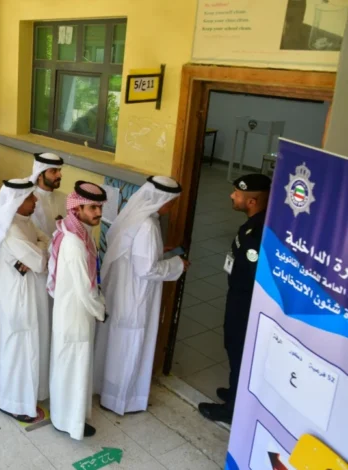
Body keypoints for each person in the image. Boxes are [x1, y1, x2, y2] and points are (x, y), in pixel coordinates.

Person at [93, 176, 189, 416]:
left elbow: (135, 252)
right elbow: (147, 269)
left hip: (120, 292)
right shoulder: (147, 226)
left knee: (116, 342)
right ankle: (117, 400)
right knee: (129, 343)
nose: (172, 207)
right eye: (171, 202)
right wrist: (177, 264)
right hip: (134, 295)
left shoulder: (134, 216)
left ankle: (106, 391)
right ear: (161, 200)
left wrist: (160, 251)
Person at [199, 174, 270, 425]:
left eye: (237, 194)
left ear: (251, 201)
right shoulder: (253, 224)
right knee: (234, 345)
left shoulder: (257, 232)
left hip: (246, 302)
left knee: (240, 348)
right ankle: (236, 391)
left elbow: (255, 276)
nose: (232, 196)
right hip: (239, 295)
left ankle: (233, 409)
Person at [0, 178, 50, 422]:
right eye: (30, 197)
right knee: (19, 349)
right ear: (17, 201)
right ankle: (13, 403)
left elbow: (47, 242)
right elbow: (40, 261)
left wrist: (38, 248)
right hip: (18, 300)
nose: (35, 200)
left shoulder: (25, 222)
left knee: (31, 347)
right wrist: (38, 250)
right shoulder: (10, 230)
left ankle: (30, 395)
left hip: (31, 293)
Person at [48, 182, 107, 440]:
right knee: (72, 368)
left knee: (72, 367)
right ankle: (68, 423)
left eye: (100, 207)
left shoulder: (80, 234)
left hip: (76, 312)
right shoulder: (74, 242)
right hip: (75, 314)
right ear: (78, 208)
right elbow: (86, 289)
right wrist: (101, 310)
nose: (98, 213)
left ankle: (71, 418)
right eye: (93, 208)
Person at [30, 153, 66, 236]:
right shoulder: (29, 200)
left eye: (59, 170)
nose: (59, 175)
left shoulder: (64, 198)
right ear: (39, 175)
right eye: (53, 171)